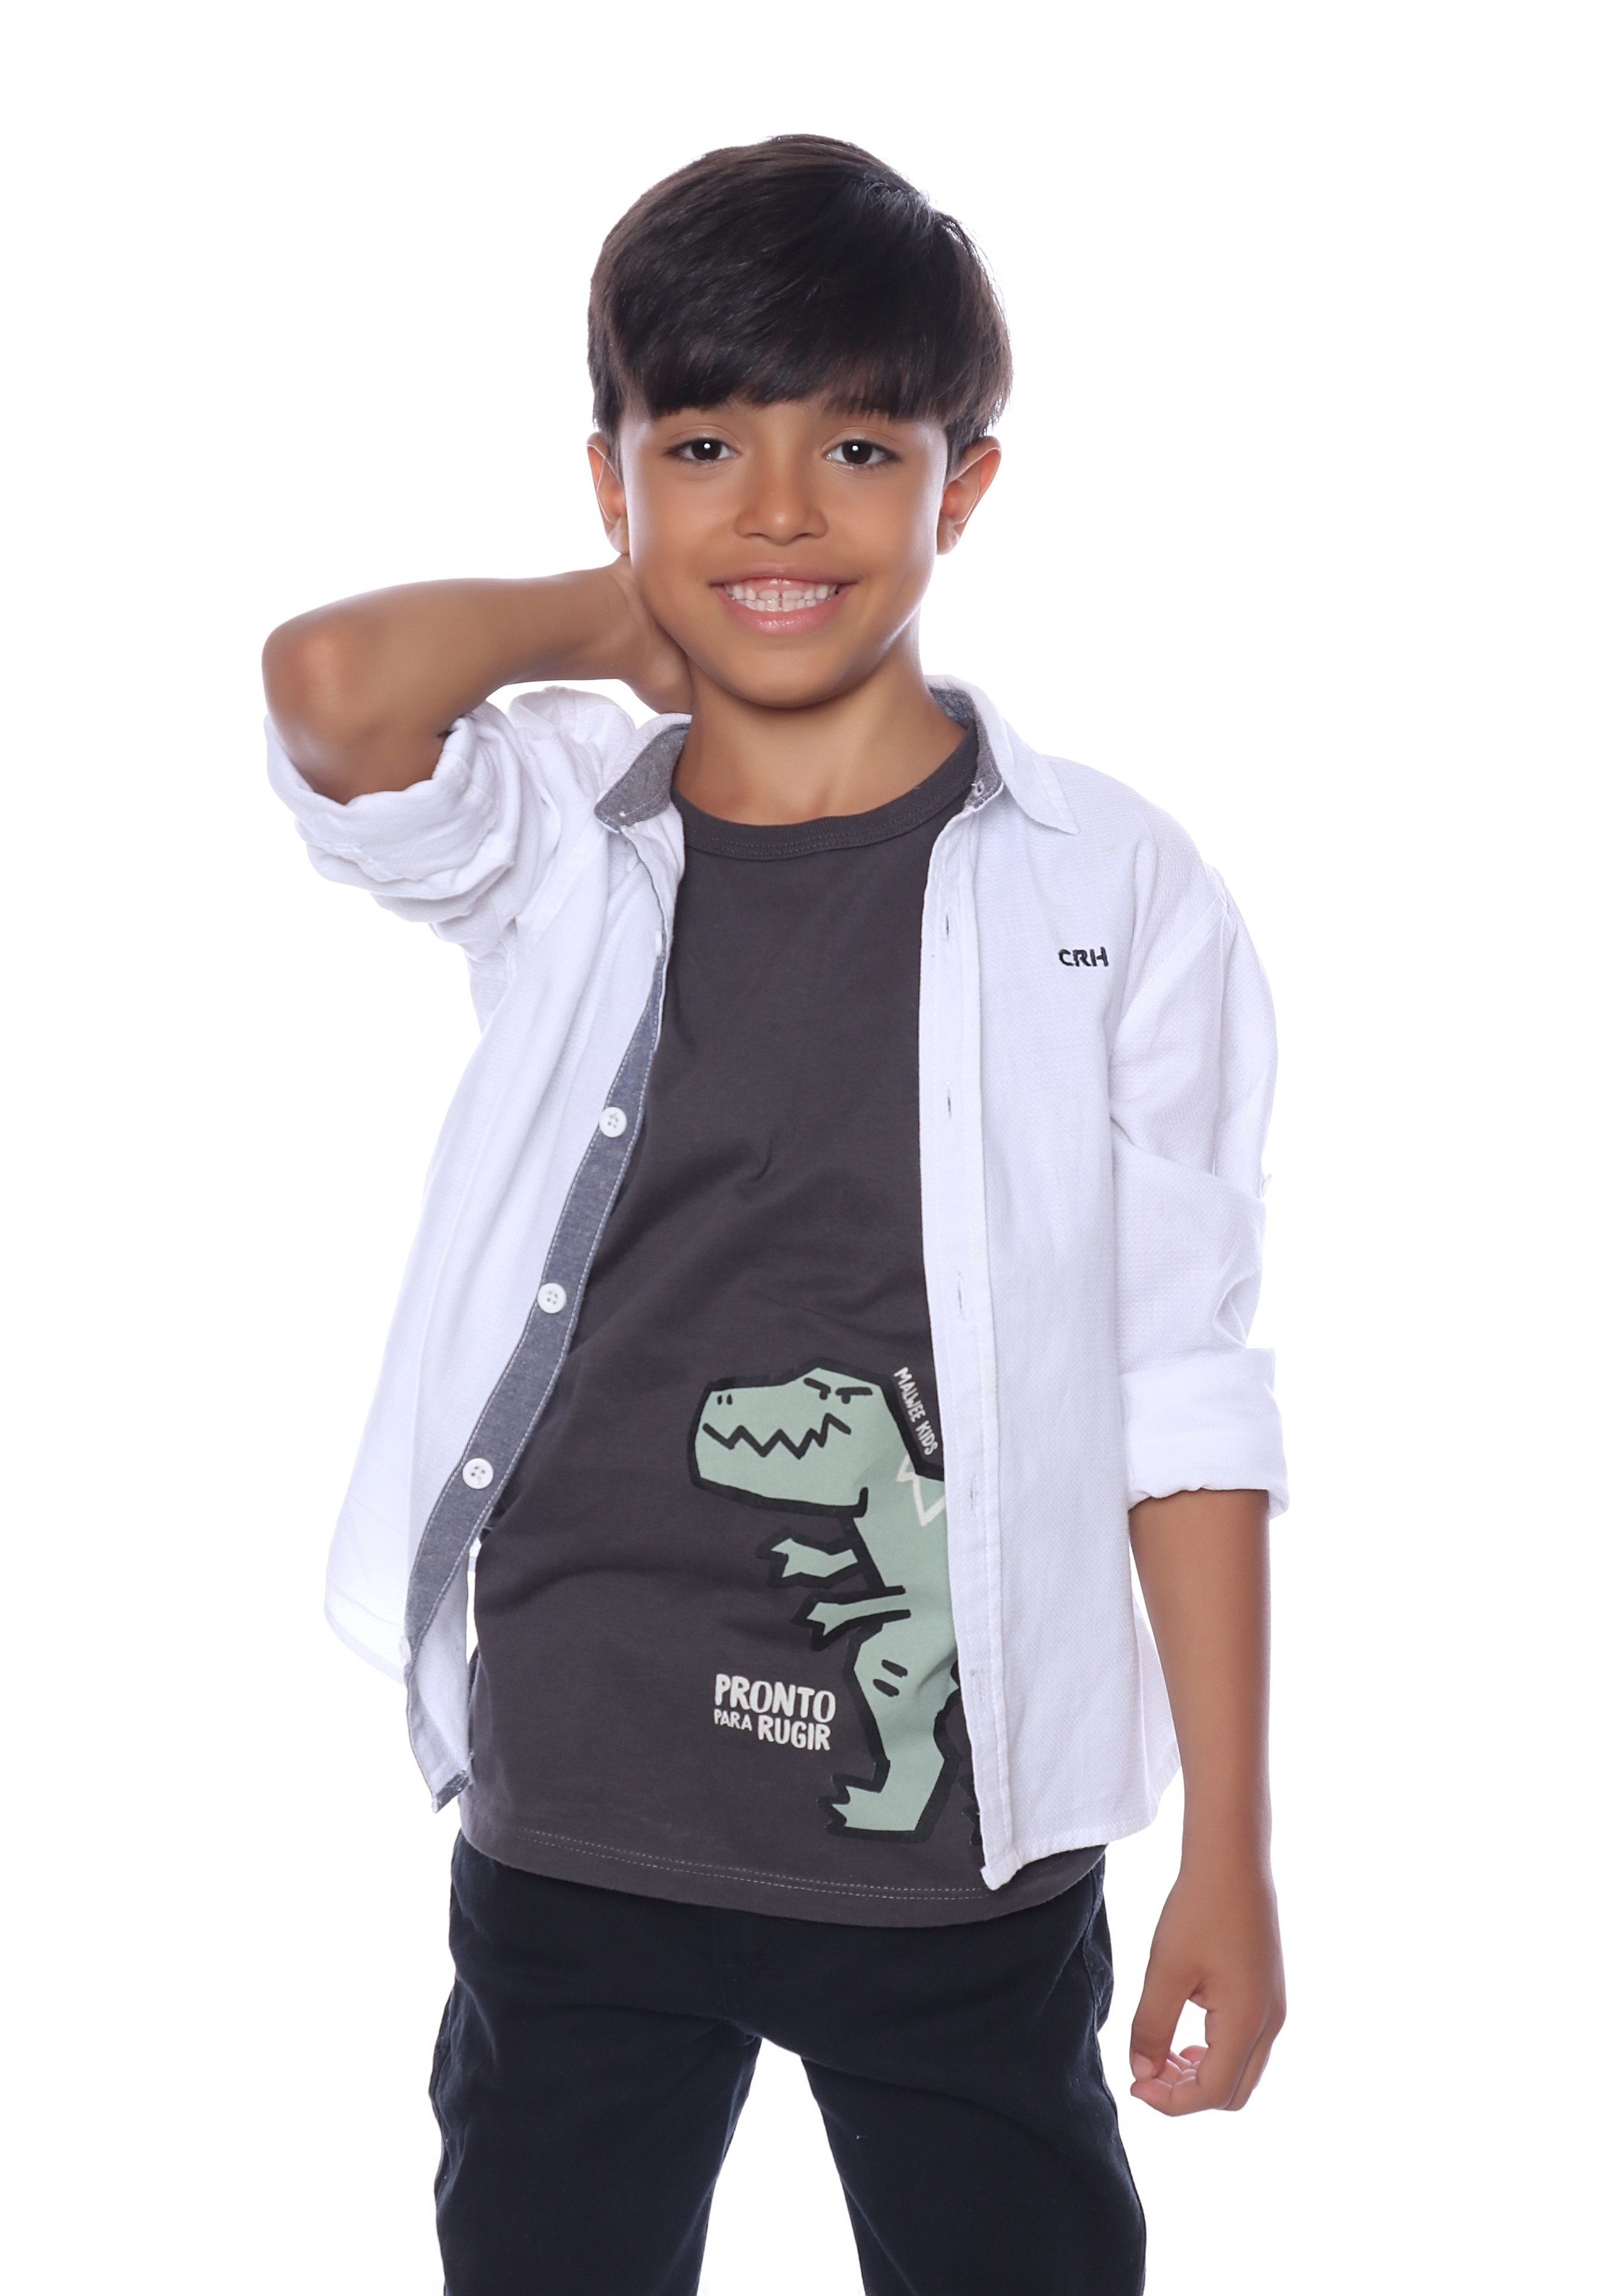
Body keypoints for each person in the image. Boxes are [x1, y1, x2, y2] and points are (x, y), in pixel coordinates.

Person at [263, 133, 1288, 2296]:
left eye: (859, 447)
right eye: (707, 444)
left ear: (962, 487)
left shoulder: (1111, 884)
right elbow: (334, 691)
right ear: (612, 475)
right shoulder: (562, 829)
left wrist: (1230, 1851)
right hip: (584, 1796)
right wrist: (612, 616)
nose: (784, 511)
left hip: (954, 1838)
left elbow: (1179, 1380)